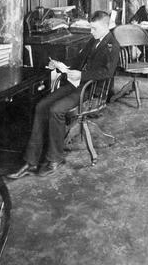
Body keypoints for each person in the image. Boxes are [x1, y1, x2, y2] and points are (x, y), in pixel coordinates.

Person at [7, 11, 120, 179]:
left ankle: (55, 159)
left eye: (94, 29)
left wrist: (81, 75)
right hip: (77, 84)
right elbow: (77, 61)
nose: (91, 32)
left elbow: (107, 73)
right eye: (90, 28)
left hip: (92, 89)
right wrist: (61, 65)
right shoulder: (93, 40)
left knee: (56, 110)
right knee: (41, 106)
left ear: (105, 26)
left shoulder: (112, 45)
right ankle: (31, 161)